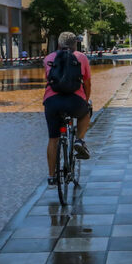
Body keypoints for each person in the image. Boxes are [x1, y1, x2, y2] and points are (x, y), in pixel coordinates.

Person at [43, 31, 93, 186]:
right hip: (74, 101)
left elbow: (49, 80)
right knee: (86, 111)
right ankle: (79, 140)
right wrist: (85, 100)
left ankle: (52, 176)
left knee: (53, 139)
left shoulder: (48, 59)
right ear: (75, 44)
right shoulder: (81, 57)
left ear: (58, 44)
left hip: (52, 102)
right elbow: (87, 83)